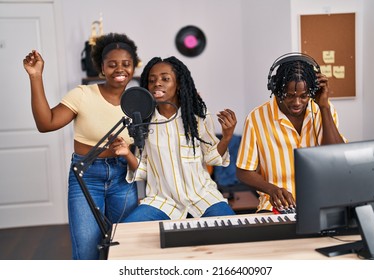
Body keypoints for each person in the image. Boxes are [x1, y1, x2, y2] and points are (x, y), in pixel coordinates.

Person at [22, 33, 140, 259]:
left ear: (134, 67)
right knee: (87, 249)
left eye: (126, 64)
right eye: (112, 64)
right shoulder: (83, 94)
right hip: (87, 175)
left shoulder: (140, 101)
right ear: (102, 68)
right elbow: (45, 123)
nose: (120, 69)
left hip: (124, 177)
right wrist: (36, 77)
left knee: (127, 245)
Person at [111, 56, 237, 221]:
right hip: (161, 201)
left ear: (178, 84)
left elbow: (211, 157)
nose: (157, 83)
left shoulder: (198, 118)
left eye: (165, 78)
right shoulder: (144, 123)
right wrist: (127, 153)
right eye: (152, 80)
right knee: (129, 231)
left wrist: (226, 137)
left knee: (234, 230)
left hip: (204, 198)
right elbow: (144, 170)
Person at [236, 53, 346, 214]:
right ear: (276, 89)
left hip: (322, 202)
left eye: (304, 96)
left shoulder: (324, 111)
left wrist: (324, 107)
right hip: (275, 206)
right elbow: (243, 171)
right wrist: (271, 189)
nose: (297, 103)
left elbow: (338, 157)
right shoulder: (256, 118)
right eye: (289, 96)